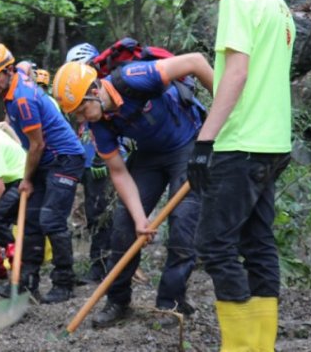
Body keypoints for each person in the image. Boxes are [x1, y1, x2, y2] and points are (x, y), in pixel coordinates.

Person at [186, 0, 295, 350]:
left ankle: (241, 347)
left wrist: (204, 140)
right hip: (274, 142)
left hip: (241, 142)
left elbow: (236, 72)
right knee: (258, 242)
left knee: (215, 245)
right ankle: (261, 345)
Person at [52, 52, 213, 328]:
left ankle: (170, 304)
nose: (80, 118)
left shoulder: (135, 77)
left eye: (81, 109)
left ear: (94, 91)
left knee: (182, 222)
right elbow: (118, 171)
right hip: (149, 157)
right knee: (124, 224)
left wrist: (224, 110)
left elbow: (196, 62)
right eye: (74, 114)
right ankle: (117, 300)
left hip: (187, 145)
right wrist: (140, 219)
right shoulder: (97, 123)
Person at [0, 43, 85, 304]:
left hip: (64, 158)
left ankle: (64, 282)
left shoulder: (23, 98)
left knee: (51, 219)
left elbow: (37, 144)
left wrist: (26, 179)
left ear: (8, 70)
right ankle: (26, 281)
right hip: (45, 160)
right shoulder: (14, 83)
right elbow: (25, 67)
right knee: (32, 221)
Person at [65, 42, 114, 284]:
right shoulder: (81, 93)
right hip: (87, 161)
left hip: (106, 161)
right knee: (93, 213)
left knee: (103, 213)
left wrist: (100, 157)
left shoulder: (104, 91)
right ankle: (101, 263)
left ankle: (102, 266)